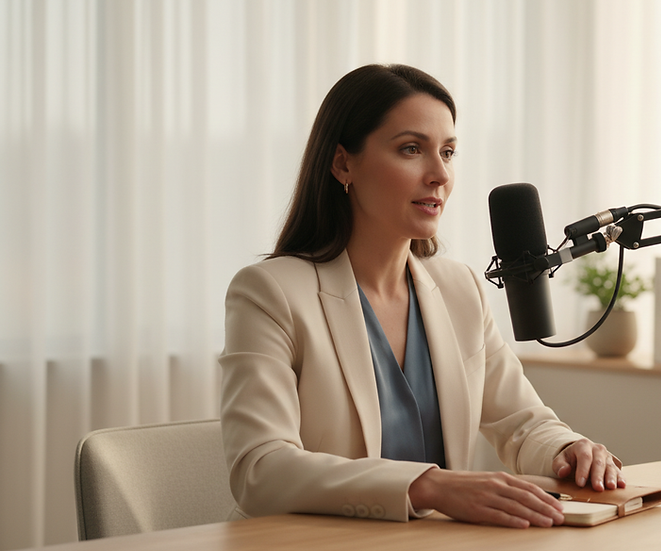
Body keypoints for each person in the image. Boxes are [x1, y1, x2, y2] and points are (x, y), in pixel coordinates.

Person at [219, 64, 624, 529]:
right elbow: (260, 470)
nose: (440, 174)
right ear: (343, 163)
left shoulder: (460, 289)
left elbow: (522, 422)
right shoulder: (270, 293)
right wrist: (428, 486)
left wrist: (567, 449)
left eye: (447, 152)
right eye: (411, 149)